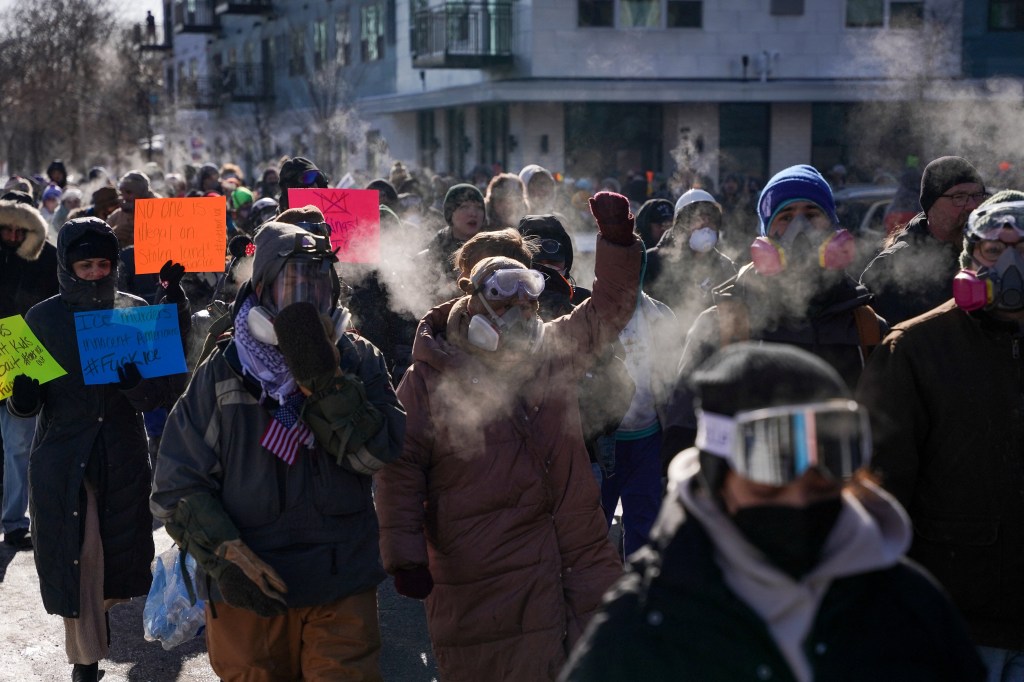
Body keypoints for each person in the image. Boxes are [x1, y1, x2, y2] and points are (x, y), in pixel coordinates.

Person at [562, 342, 985, 682]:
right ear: (716, 477)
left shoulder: (909, 607)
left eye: (827, 465)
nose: (798, 495)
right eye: (770, 466)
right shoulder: (645, 626)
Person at [375, 191, 643, 681]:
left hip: (576, 561)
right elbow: (401, 465)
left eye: (529, 293)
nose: (521, 306)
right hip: (486, 578)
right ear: (471, 296)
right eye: (503, 292)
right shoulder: (429, 376)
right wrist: (405, 555)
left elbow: (609, 309)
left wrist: (618, 242)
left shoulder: (553, 351)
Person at [152, 222, 405, 681]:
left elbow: (377, 454)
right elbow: (176, 481)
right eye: (295, 280)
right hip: (252, 587)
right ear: (266, 287)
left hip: (340, 578)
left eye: (319, 279)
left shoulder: (357, 358)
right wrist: (226, 555)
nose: (308, 293)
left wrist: (328, 382)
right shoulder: (225, 367)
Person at [856, 191, 1024, 682]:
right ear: (969, 258)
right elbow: (880, 485)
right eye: (995, 251)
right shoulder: (915, 349)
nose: (1011, 265)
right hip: (955, 615)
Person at [9, 217, 185, 682]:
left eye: (101, 264)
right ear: (68, 267)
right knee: (78, 556)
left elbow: (160, 395)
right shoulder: (43, 318)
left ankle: (96, 626)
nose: (93, 273)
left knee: (109, 563)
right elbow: (25, 407)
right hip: (63, 461)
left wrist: (135, 383)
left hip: (121, 457)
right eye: (83, 265)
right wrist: (23, 395)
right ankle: (84, 662)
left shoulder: (133, 310)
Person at [661, 164, 885, 467]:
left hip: (835, 499)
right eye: (786, 216)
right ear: (766, 232)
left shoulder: (866, 327)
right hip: (748, 504)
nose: (800, 228)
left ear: (833, 226)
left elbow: (888, 437)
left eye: (812, 213)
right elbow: (683, 436)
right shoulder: (722, 324)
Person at [860, 156, 987, 325]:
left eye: (977, 196)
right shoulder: (890, 268)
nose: (972, 205)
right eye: (959, 196)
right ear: (931, 205)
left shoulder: (993, 256)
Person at [0, 190, 58, 551]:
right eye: (6, 228)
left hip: (23, 359)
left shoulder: (48, 258)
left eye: (19, 230)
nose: (11, 236)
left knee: (19, 444)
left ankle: (15, 522)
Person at [643, 188, 737, 329]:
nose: (706, 227)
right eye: (698, 219)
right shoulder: (652, 261)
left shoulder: (725, 266)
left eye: (711, 220)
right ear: (681, 226)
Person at [417, 183, 488, 302]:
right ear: (451, 213)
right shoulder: (432, 255)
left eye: (479, 207)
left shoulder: (493, 249)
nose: (473, 213)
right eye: (464, 207)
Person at [107, 171, 156, 249]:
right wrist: (113, 235)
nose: (124, 197)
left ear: (142, 193)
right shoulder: (117, 216)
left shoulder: (159, 213)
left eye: (129, 192)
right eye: (122, 192)